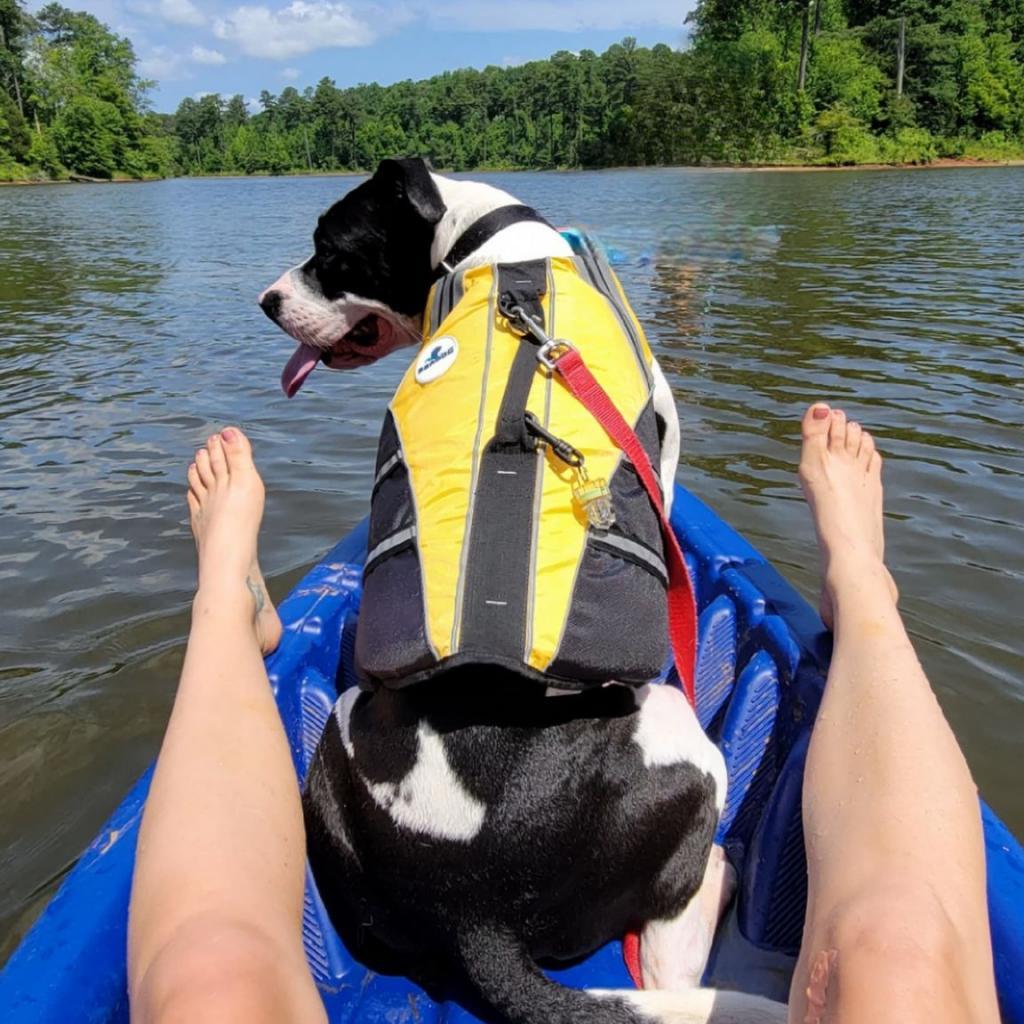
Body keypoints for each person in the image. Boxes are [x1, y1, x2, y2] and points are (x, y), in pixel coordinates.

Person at [127, 409, 1000, 1024]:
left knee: (210, 983)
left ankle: (223, 596)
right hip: (567, 889)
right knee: (899, 957)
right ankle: (861, 586)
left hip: (393, 912)